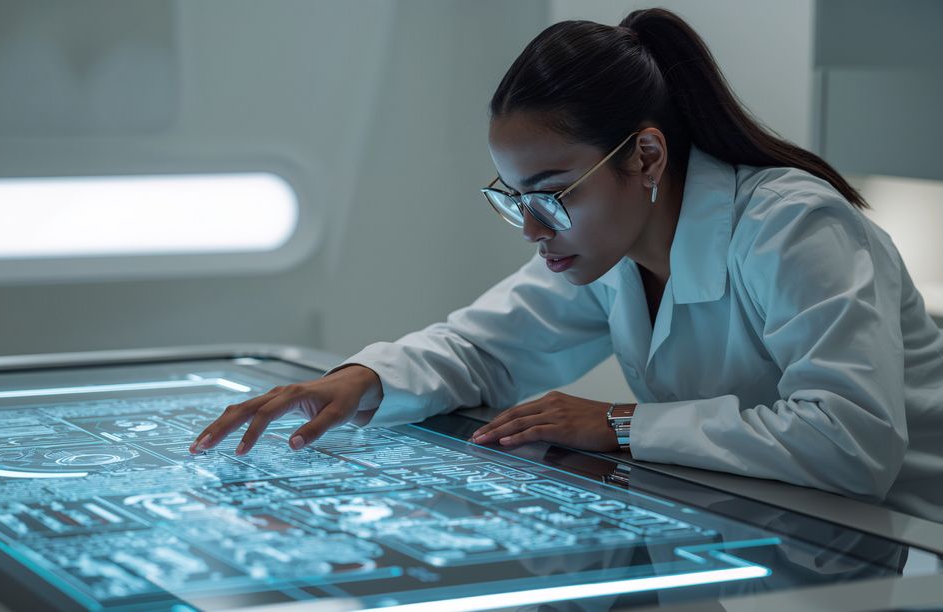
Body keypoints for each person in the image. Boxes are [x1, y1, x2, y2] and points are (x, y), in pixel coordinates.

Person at [191, 8, 943, 522]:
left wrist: (617, 424)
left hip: (915, 533)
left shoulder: (793, 225)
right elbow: (484, 348)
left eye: (551, 193)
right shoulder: (612, 252)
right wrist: (362, 380)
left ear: (645, 155)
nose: (530, 225)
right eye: (513, 197)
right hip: (801, 524)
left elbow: (852, 443)